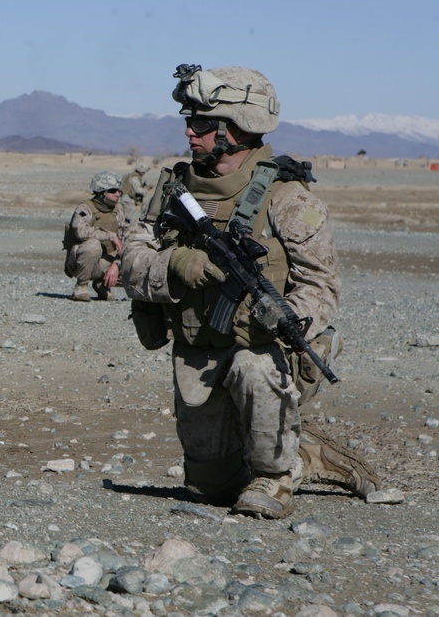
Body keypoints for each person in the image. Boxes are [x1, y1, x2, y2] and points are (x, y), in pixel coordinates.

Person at [119, 64, 379, 519]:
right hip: (198, 350)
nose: (189, 131)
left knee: (252, 364)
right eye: (189, 120)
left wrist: (277, 317)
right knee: (208, 488)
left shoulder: (286, 196)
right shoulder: (174, 189)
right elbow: (130, 261)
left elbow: (322, 284)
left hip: (264, 352)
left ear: (238, 128)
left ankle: (279, 475)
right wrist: (176, 264)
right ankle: (304, 454)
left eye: (201, 123)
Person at [63, 171, 125, 302]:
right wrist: (110, 236)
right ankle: (81, 286)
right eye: (113, 191)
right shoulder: (85, 208)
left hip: (105, 261)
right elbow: (81, 232)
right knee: (93, 245)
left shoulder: (118, 210)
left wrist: (116, 265)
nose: (118, 194)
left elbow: (124, 237)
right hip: (80, 260)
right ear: (101, 193)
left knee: (135, 261)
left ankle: (102, 285)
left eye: (119, 191)